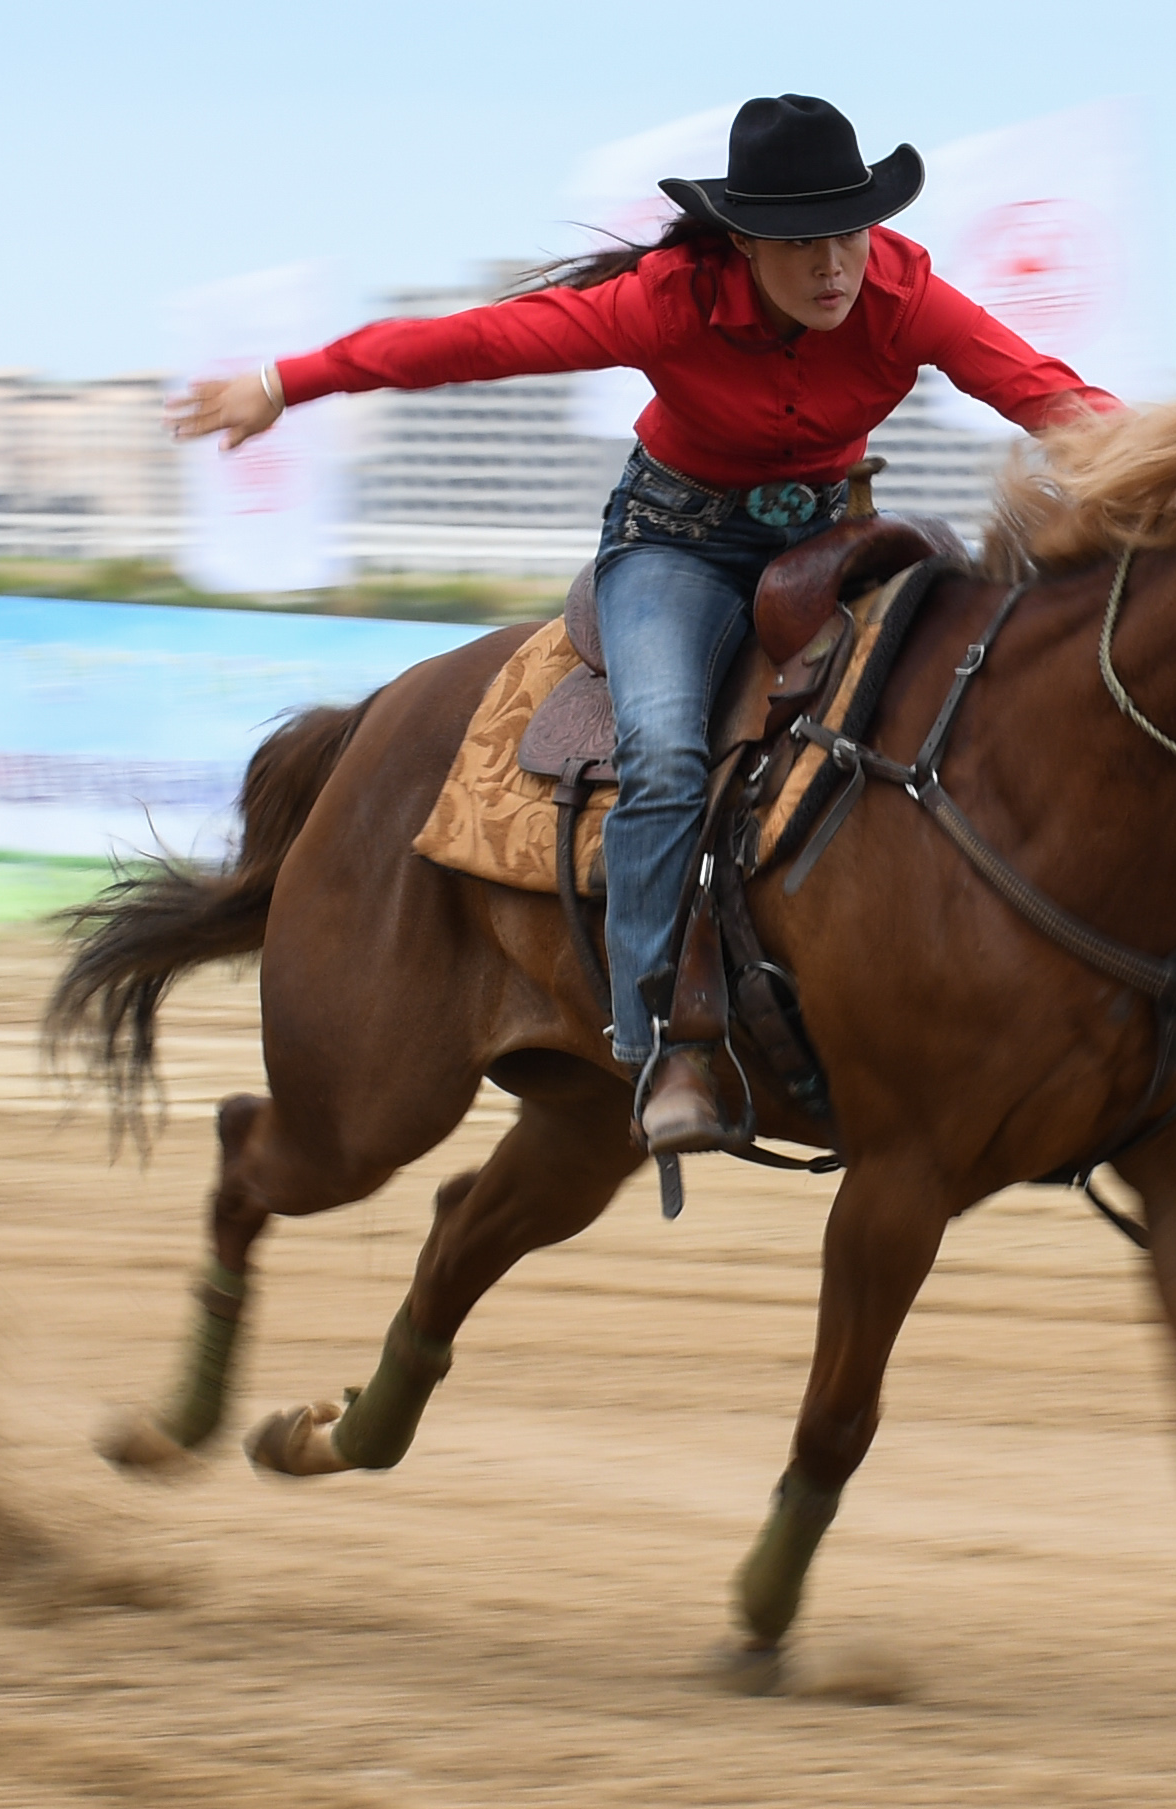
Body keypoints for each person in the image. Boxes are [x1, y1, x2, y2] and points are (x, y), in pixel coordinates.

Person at [174, 94, 1118, 1153]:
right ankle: (660, 1031)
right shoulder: (665, 302)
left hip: (829, 544)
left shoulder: (905, 293)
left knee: (946, 708)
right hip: (675, 548)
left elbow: (1050, 396)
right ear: (744, 244)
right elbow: (471, 344)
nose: (833, 267)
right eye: (802, 243)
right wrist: (278, 383)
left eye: (848, 233)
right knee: (667, 753)